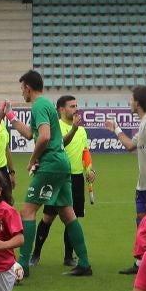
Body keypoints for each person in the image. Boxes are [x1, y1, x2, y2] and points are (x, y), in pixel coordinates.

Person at [9, 69, 90, 276]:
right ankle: (84, 264)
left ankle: (23, 265)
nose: (22, 93)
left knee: (27, 211)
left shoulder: (38, 105)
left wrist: (33, 159)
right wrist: (11, 116)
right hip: (62, 164)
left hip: (50, 164)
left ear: (27, 87)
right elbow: (30, 133)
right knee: (67, 213)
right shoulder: (44, 105)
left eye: (22, 88)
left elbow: (43, 137)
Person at [30, 95, 93, 266]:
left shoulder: (81, 130)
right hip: (58, 176)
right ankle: (35, 254)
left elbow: (85, 151)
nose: (75, 109)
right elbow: (60, 144)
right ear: (61, 109)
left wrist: (89, 169)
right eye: (71, 106)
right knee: (48, 218)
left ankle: (68, 257)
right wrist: (72, 129)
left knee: (71, 218)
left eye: (76, 105)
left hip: (76, 177)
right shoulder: (56, 127)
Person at [112, 85, 146, 274]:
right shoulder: (144, 123)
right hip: (143, 184)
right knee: (143, 223)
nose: (129, 102)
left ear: (138, 102)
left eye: (131, 99)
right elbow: (130, 145)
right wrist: (116, 129)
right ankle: (142, 262)